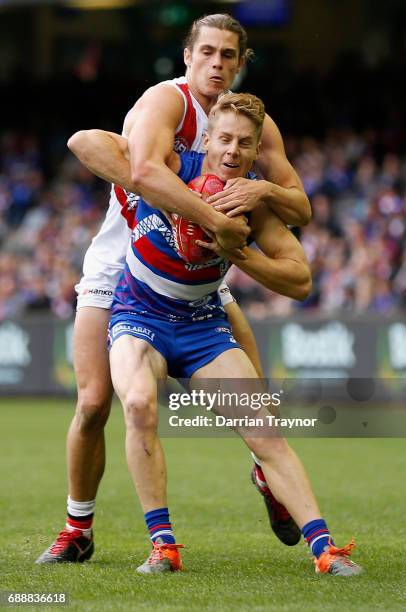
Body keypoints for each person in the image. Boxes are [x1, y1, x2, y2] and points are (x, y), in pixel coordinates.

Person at [36, 14, 310, 565]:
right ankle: (77, 527)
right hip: (127, 257)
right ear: (188, 57)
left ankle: (267, 476)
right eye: (207, 52)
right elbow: (138, 171)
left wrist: (258, 188)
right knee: (93, 403)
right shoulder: (167, 102)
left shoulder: (253, 121)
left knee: (255, 395)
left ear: (240, 62)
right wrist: (215, 219)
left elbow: (300, 206)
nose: (217, 63)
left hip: (198, 263)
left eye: (228, 55)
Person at [73, 92, 361, 576]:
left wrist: (240, 249)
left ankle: (326, 550)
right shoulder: (166, 167)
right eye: (224, 138)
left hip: (203, 325)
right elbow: (82, 141)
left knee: (265, 432)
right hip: (138, 314)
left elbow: (300, 280)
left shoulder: (252, 199)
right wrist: (160, 195)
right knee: (139, 403)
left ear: (254, 153)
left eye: (244, 144)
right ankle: (162, 545)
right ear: (207, 137)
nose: (232, 150)